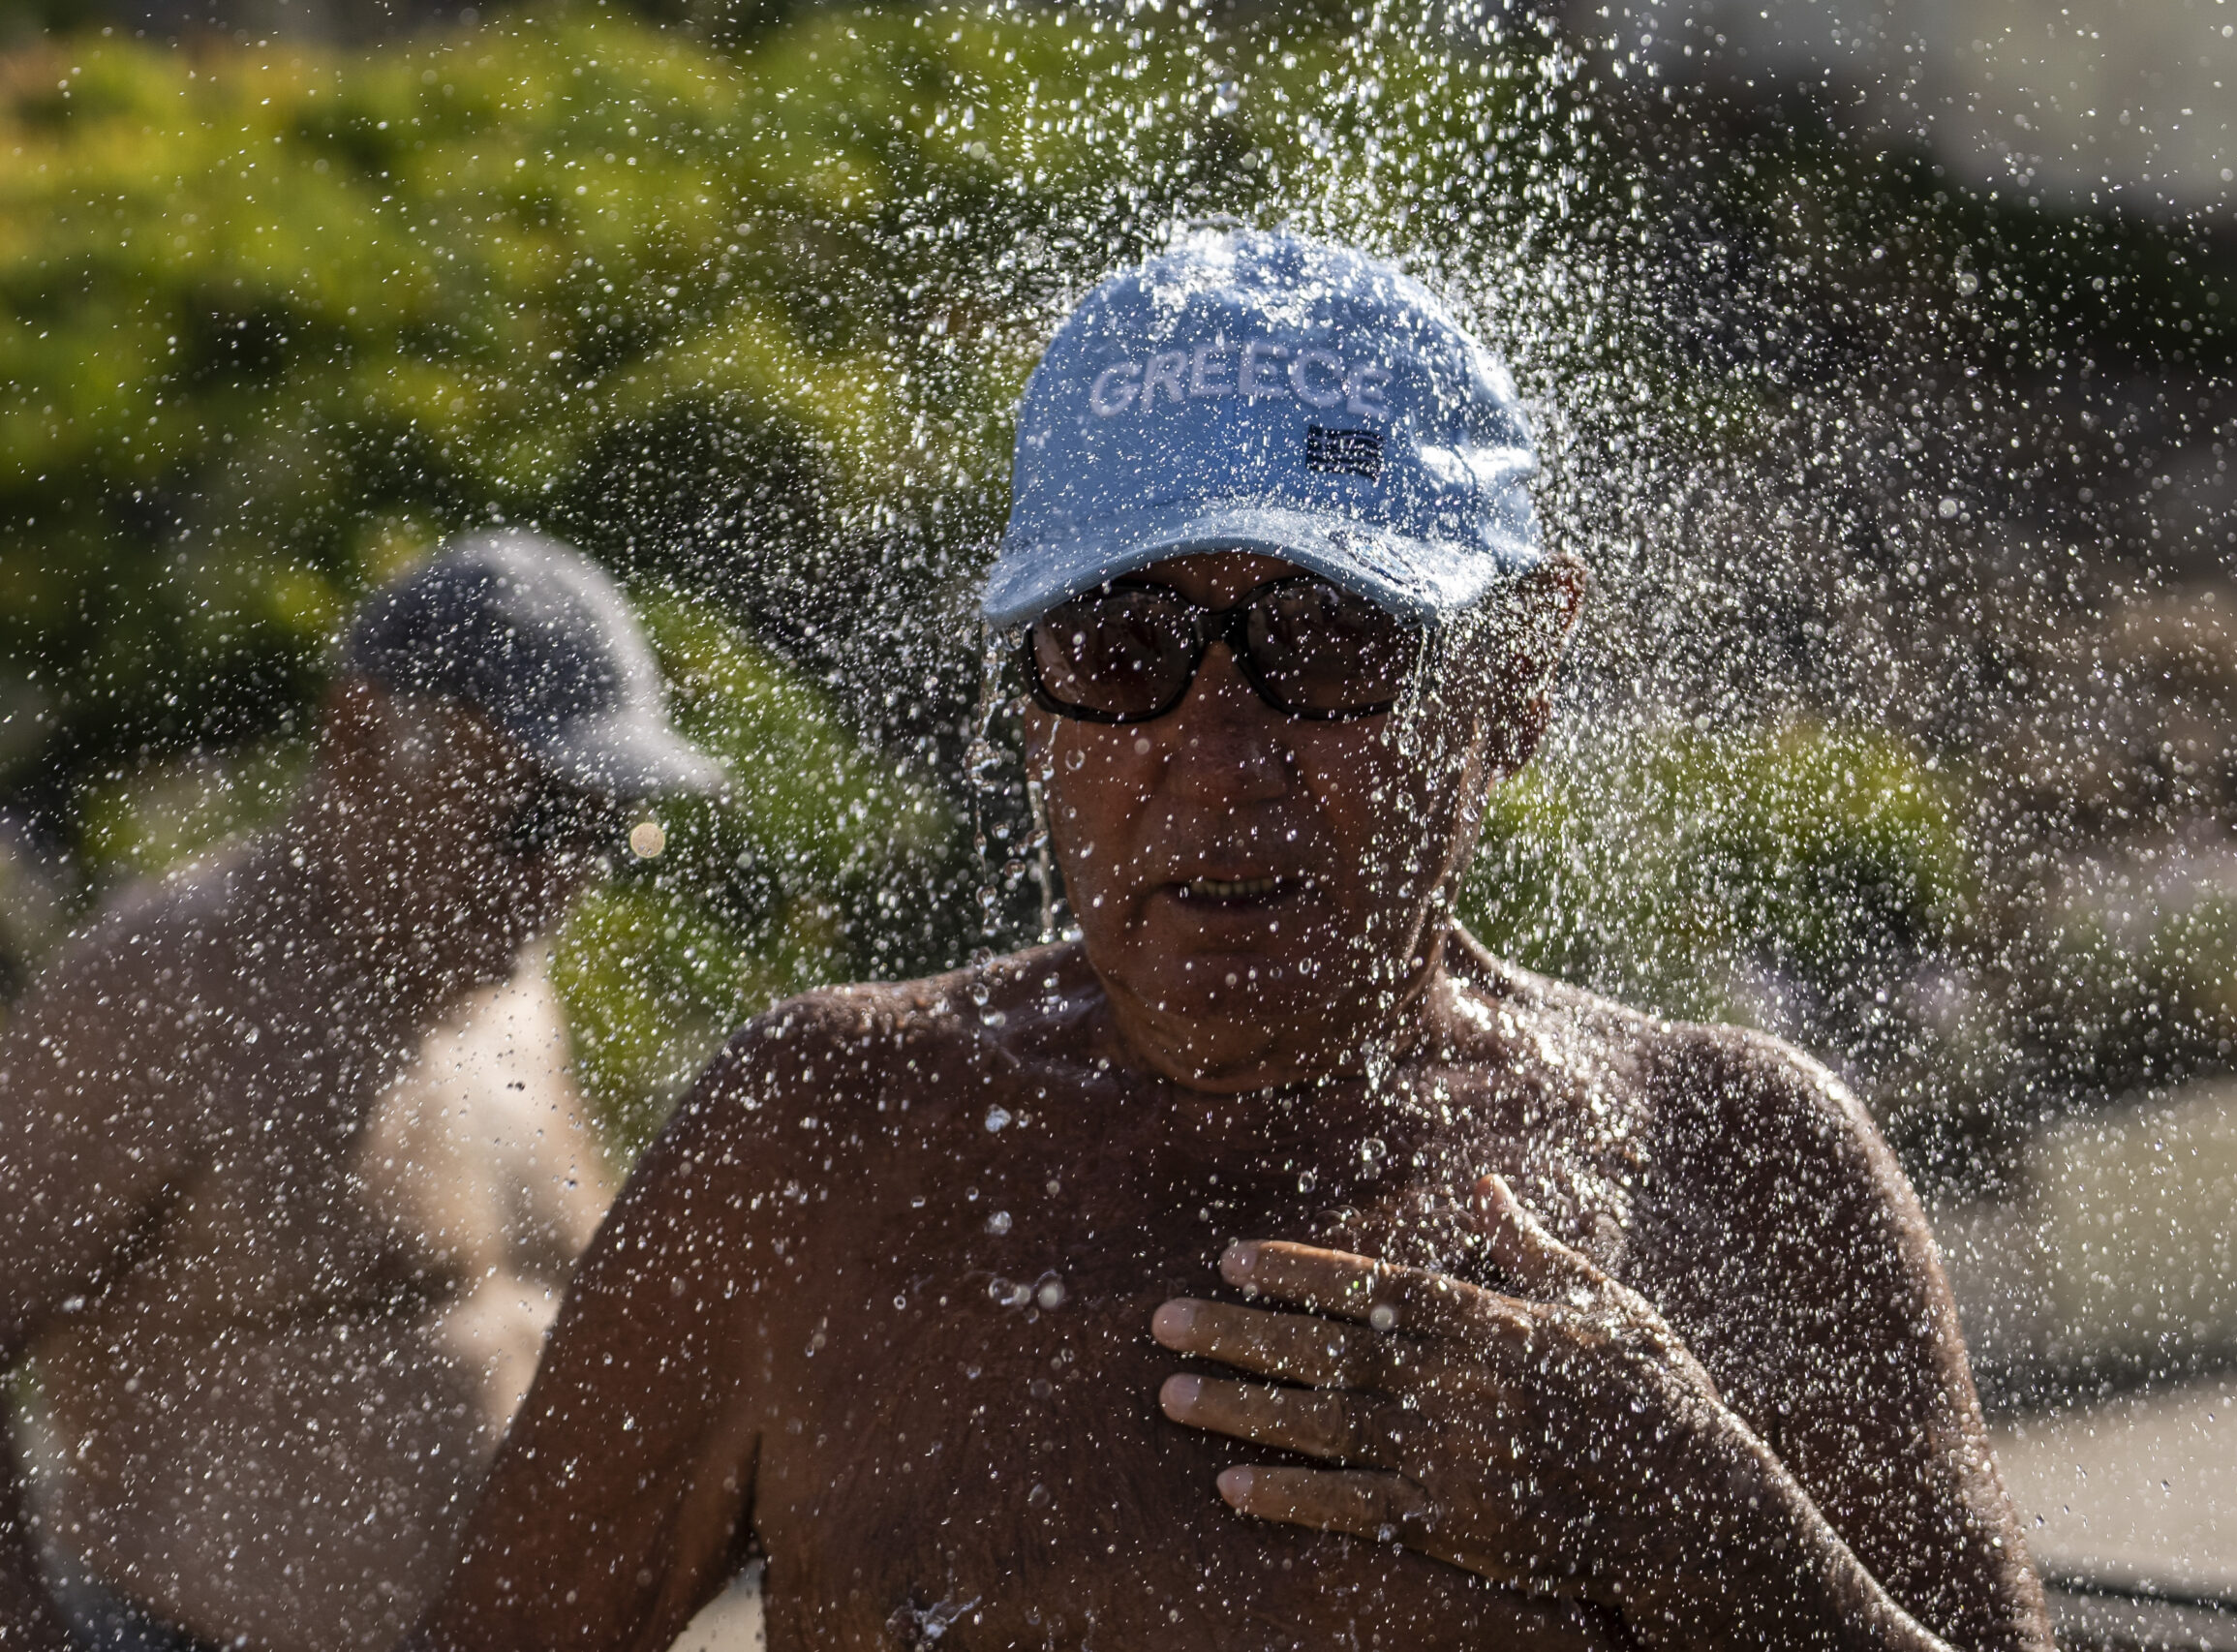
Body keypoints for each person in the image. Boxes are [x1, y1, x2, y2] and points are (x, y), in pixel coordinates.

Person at [405, 232, 2051, 1650]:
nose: (1219, 758)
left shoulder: (1738, 1168)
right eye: (1123, 650)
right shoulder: (819, 1146)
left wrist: (1703, 1537)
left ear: (1518, 678)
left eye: (1330, 645)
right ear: (1025, 694)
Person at [0, 532, 720, 1652]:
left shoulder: (515, 993)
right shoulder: (168, 990)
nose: (566, 873)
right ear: (363, 738)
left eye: (602, 824)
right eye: (533, 818)